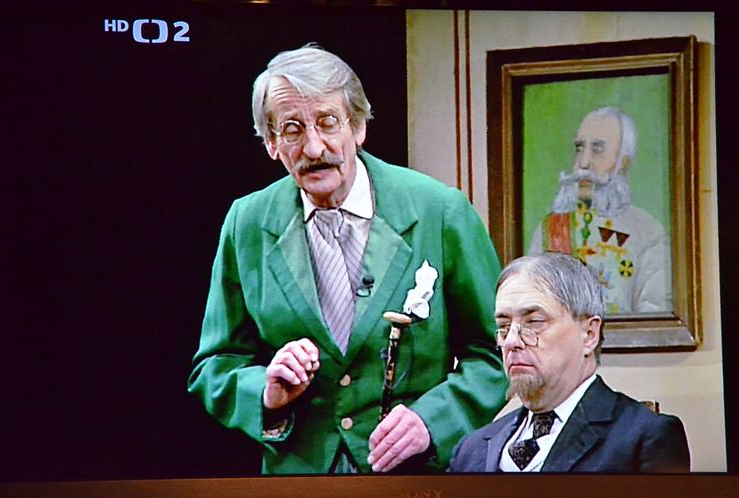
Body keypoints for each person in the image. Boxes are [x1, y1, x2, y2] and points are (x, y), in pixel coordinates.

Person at [187, 44, 508, 474]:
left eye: (327, 122)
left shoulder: (440, 211)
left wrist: (432, 422)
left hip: (415, 476)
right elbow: (216, 365)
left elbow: (495, 352)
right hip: (298, 477)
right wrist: (264, 391)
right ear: (271, 144)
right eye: (292, 130)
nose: (313, 147)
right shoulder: (247, 223)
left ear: (358, 128)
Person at [449, 253, 690, 473]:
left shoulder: (645, 438)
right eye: (503, 326)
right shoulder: (470, 451)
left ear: (589, 335)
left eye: (534, 322)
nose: (511, 341)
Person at [528, 107, 671, 314]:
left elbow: (654, 316)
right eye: (579, 148)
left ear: (623, 163)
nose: (583, 164)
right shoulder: (548, 230)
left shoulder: (648, 233)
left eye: (597, 149)